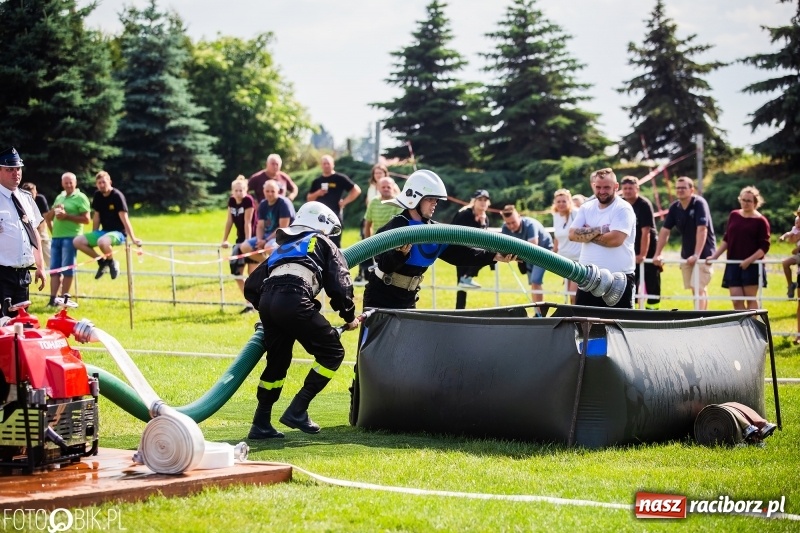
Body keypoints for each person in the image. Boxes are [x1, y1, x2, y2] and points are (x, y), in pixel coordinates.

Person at [245, 201, 359, 438]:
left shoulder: (282, 248)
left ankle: (260, 422)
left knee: (277, 363)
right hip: (294, 298)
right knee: (332, 352)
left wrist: (270, 313)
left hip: (268, 301)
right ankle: (298, 409)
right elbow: (340, 284)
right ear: (323, 224)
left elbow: (251, 286)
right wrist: (349, 316)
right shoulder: (322, 242)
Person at [362, 170, 514, 310]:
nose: (435, 203)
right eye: (430, 199)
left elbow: (460, 254)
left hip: (408, 298)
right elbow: (384, 264)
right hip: (381, 296)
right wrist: (399, 254)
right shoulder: (397, 226)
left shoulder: (434, 231)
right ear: (414, 198)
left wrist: (494, 256)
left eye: (436, 199)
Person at [569, 168, 636, 309]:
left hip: (619, 280)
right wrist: (600, 229)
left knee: (619, 321)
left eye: (606, 187)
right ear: (594, 186)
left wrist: (587, 235)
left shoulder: (623, 209)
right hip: (587, 278)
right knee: (583, 321)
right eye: (598, 187)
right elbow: (572, 235)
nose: (602, 191)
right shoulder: (586, 207)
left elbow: (615, 240)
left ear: (616, 186)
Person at [652, 176, 716, 310]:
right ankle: (701, 315)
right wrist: (657, 254)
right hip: (687, 253)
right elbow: (665, 230)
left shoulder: (699, 203)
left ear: (692, 190)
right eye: (677, 188)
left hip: (704, 253)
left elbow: (702, 229)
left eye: (683, 188)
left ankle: (700, 317)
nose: (680, 190)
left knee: (698, 287)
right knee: (695, 288)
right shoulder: (675, 207)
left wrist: (696, 255)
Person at [706, 186, 771, 310]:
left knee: (751, 299)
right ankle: (742, 323)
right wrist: (715, 256)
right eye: (743, 200)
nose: (745, 203)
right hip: (733, 263)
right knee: (736, 300)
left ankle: (752, 323)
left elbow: (765, 246)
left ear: (755, 203)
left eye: (749, 201)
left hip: (752, 265)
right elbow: (727, 238)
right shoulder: (734, 215)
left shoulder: (761, 221)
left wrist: (749, 261)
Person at [0, 147, 45, 316]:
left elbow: (34, 233)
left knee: (21, 322)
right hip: (2, 272)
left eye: (18, 168)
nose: (16, 173)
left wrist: (40, 266)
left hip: (23, 274)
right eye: (9, 169)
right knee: (3, 323)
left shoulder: (26, 198)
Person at [73, 171, 142, 280]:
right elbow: (96, 217)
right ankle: (102, 262)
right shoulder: (98, 195)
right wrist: (94, 233)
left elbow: (125, 219)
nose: (101, 185)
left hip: (118, 233)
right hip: (104, 232)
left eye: (103, 182)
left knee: (102, 241)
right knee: (77, 241)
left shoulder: (117, 196)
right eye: (99, 183)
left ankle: (112, 262)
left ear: (110, 182)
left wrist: (133, 238)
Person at [45, 172, 90, 307]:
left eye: (71, 182)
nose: (69, 185)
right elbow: (49, 217)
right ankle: (53, 299)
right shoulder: (60, 197)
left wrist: (67, 216)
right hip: (56, 238)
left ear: (75, 183)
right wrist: (54, 215)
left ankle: (63, 300)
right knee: (54, 270)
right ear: (62, 184)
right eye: (66, 183)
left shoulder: (81, 197)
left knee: (67, 270)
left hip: (71, 238)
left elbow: (86, 219)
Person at [620, 176, 661, 309]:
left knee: (651, 279)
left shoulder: (644, 204)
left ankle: (653, 311)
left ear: (637, 188)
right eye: (625, 188)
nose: (627, 191)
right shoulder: (620, 203)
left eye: (630, 188)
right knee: (630, 280)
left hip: (648, 247)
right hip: (629, 247)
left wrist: (643, 254)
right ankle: (632, 308)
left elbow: (646, 231)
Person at [501, 205, 554, 303]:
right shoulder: (505, 228)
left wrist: (514, 253)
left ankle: (539, 312)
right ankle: (536, 310)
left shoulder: (530, 225)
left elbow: (532, 248)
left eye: (513, 222)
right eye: (508, 223)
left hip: (543, 251)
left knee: (535, 281)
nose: (511, 226)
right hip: (526, 255)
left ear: (519, 217)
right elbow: (504, 247)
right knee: (533, 284)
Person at [306, 155, 361, 247]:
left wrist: (344, 202)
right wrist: (317, 193)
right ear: (321, 165)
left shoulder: (339, 178)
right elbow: (309, 199)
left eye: (328, 163)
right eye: (324, 163)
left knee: (334, 244)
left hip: (335, 216)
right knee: (317, 244)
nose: (326, 165)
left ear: (333, 164)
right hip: (319, 217)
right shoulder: (317, 181)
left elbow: (356, 190)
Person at [221, 175, 257, 313]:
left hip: (252, 239)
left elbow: (248, 222)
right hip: (239, 240)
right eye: (236, 190)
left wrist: (248, 242)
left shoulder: (248, 200)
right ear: (232, 191)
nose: (238, 193)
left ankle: (255, 305)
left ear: (246, 190)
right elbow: (229, 221)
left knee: (252, 274)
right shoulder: (232, 201)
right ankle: (249, 303)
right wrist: (224, 239)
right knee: (237, 273)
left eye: (241, 190)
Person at [239, 180, 295, 267]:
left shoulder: (284, 203)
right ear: (263, 191)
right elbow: (260, 226)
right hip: (267, 235)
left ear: (278, 191)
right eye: (267, 191)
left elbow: (282, 228)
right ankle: (266, 264)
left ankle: (279, 266)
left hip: (284, 235)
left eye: (272, 191)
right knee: (245, 246)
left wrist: (265, 241)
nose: (270, 194)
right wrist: (259, 240)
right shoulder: (263, 204)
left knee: (268, 246)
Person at [451, 189, 492, 308]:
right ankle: (460, 310)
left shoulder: (485, 218)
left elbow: (484, 239)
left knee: (490, 255)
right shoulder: (464, 214)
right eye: (480, 200)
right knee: (461, 283)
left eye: (485, 200)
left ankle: (467, 277)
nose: (483, 202)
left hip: (475, 251)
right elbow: (455, 233)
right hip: (459, 250)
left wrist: (482, 223)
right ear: (474, 201)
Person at [355, 164, 391, 282]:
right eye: (376, 173)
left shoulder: (391, 185)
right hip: (373, 218)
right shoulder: (371, 188)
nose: (378, 175)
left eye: (380, 172)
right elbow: (368, 202)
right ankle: (364, 273)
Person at [20, 182, 51, 266]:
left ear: (36, 192)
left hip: (41, 228)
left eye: (32, 195)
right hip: (26, 230)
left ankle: (55, 270)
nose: (30, 197)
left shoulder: (40, 199)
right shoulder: (20, 200)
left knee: (48, 252)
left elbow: (46, 216)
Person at [780, 208, 800, 299]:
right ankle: (790, 284)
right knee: (785, 263)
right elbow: (790, 236)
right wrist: (783, 237)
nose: (798, 224)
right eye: (796, 223)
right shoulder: (795, 229)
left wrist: (797, 249)